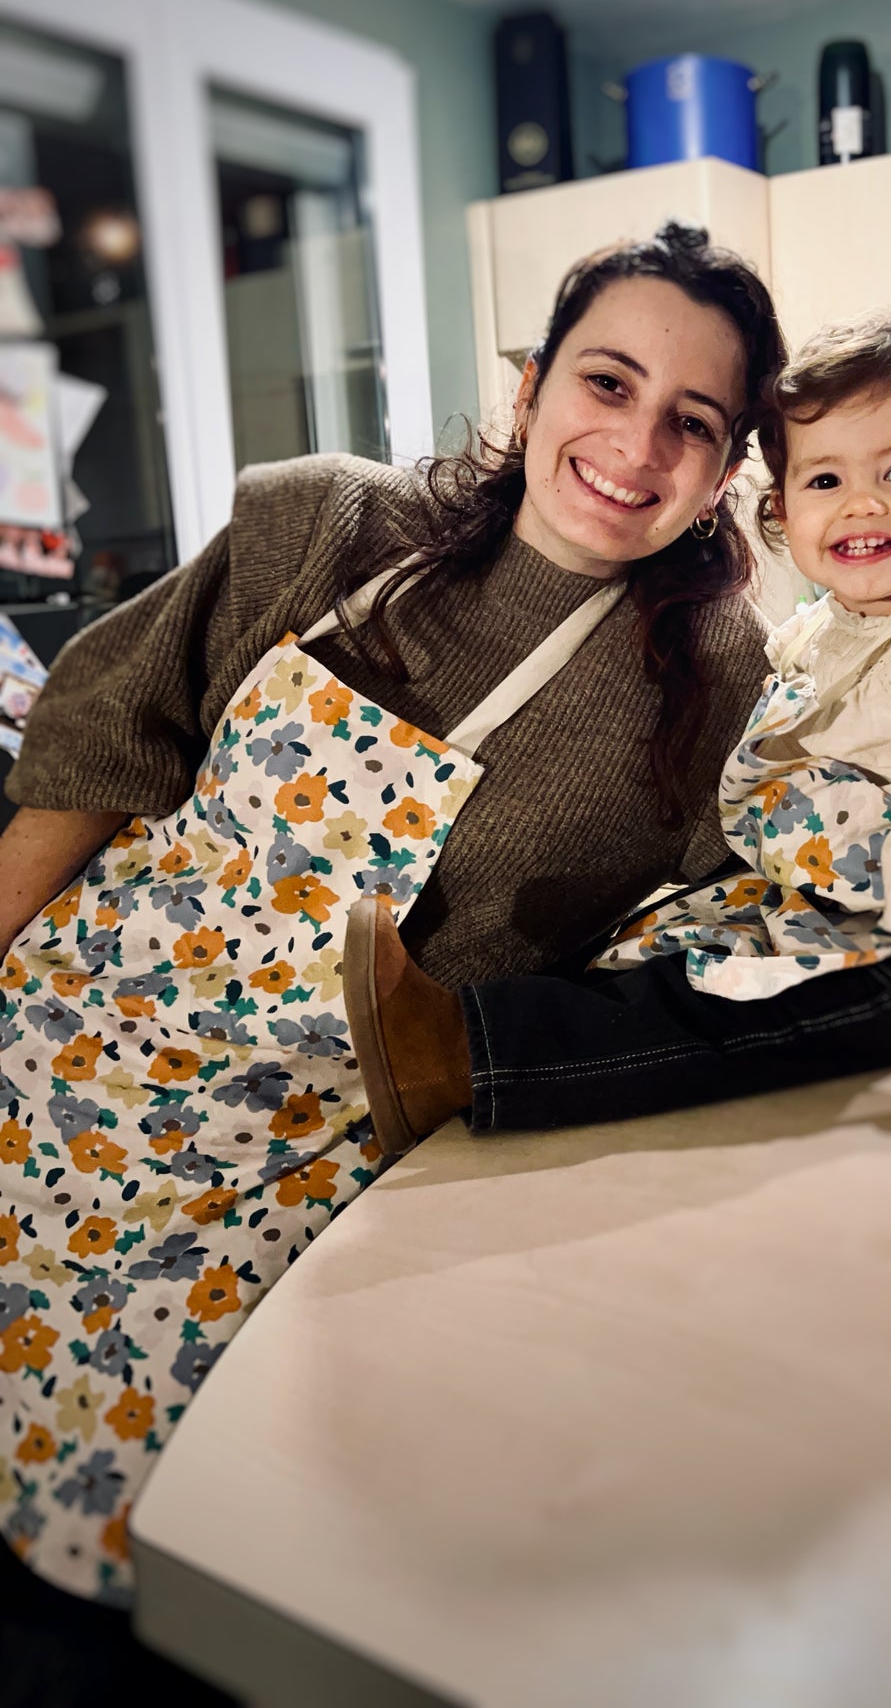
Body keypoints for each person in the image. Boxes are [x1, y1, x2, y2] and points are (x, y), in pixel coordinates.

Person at [0, 221, 786, 1602]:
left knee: (215, 1533)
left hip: (316, 1154)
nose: (636, 444)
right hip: (67, 1059)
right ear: (532, 383)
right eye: (606, 384)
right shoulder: (329, 524)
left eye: (693, 422)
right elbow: (101, 741)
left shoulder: (708, 677)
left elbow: (713, 915)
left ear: (725, 470)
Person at [346, 314, 891, 1152]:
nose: (861, 503)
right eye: (822, 481)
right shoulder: (821, 633)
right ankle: (472, 1037)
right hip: (823, 916)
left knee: (700, 1021)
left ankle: (457, 1058)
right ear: (778, 509)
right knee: (665, 959)